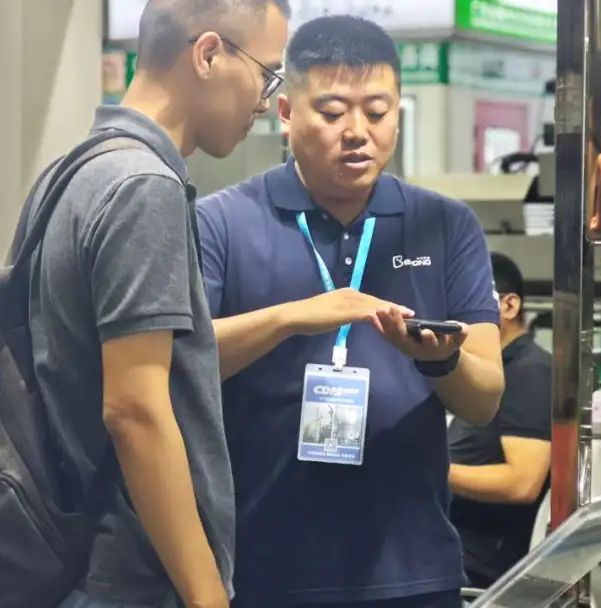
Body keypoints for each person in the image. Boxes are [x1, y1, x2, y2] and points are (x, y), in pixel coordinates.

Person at [195, 15, 505, 608]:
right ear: (286, 113)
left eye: (378, 112)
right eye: (333, 112)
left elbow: (484, 400)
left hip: (412, 569)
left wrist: (438, 362)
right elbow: (181, 365)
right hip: (261, 567)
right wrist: (290, 317)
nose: (357, 132)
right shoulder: (221, 222)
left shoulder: (445, 224)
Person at [8, 1, 290, 607]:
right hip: (129, 573)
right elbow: (135, 410)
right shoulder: (145, 187)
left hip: (66, 553)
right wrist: (207, 596)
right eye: (267, 74)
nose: (266, 102)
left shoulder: (72, 171)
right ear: (208, 54)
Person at [447, 252, 553, 588]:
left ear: (509, 306)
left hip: (475, 561)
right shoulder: (491, 369)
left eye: (468, 300)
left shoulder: (529, 372)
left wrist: (427, 470)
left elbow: (522, 482)